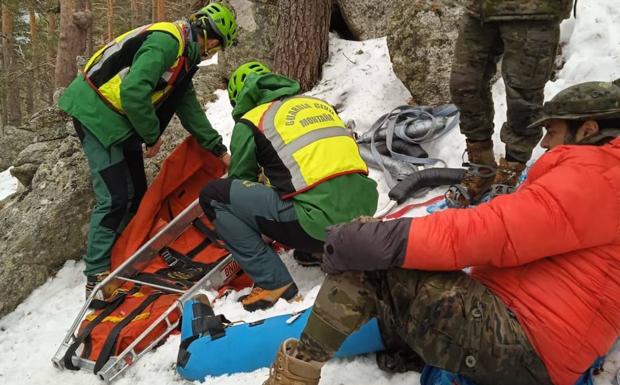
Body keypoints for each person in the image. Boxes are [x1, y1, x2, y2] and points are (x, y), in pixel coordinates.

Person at [262, 79, 620, 385]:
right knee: (390, 266)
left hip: (526, 344)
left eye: (552, 132)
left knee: (369, 254)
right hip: (539, 340)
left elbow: (496, 231)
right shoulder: (605, 178)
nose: (543, 144)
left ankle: (295, 374)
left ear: (587, 130)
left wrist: (390, 240)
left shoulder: (599, 177)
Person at [58, 2, 238, 298]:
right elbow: (132, 91)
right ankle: (97, 277)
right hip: (94, 113)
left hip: (117, 118)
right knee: (115, 197)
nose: (214, 51)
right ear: (209, 35)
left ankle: (124, 255)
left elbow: (188, 106)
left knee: (138, 194)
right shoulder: (168, 42)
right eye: (217, 44)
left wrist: (218, 150)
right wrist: (151, 135)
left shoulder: (183, 57)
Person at [199, 61, 379, 311]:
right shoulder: (319, 104)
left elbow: (240, 179)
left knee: (215, 196)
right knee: (300, 188)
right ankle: (319, 250)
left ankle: (274, 285)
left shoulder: (251, 121)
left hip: (316, 222)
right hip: (365, 213)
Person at [446, 0, 574, 207]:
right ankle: (482, 164)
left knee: (524, 97)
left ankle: (512, 167)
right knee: (465, 84)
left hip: (535, 10)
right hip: (482, 8)